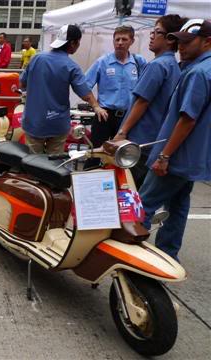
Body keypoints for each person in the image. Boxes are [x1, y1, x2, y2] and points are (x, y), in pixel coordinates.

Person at [138, 19, 211, 261]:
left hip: (176, 156)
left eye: (188, 42)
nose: (181, 46)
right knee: (178, 206)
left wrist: (164, 156)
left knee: (142, 205)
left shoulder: (199, 72)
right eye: (179, 40)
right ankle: (167, 256)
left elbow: (187, 119)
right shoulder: (201, 68)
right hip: (191, 158)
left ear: (207, 41)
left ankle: (131, 262)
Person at [113, 15, 187, 187]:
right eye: (152, 31)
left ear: (170, 39)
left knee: (128, 192)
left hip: (139, 140)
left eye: (158, 32)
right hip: (154, 139)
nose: (152, 36)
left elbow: (142, 102)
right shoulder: (173, 66)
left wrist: (122, 133)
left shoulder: (157, 65)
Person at [20, 24, 107, 155]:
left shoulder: (36, 58)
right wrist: (96, 106)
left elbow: (22, 83)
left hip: (34, 122)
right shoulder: (72, 66)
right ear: (72, 43)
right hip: (57, 123)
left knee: (32, 162)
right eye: (78, 43)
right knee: (54, 165)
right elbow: (84, 93)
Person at [84, 25, 147, 168]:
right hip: (105, 116)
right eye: (117, 39)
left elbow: (146, 89)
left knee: (123, 157)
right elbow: (84, 86)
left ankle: (120, 188)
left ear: (132, 41)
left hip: (127, 118)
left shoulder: (139, 62)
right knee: (95, 154)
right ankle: (89, 185)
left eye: (124, 39)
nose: (119, 42)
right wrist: (96, 106)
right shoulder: (102, 62)